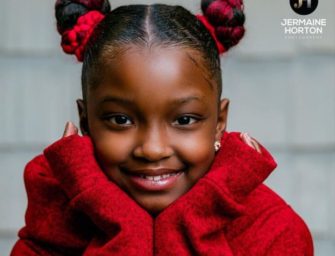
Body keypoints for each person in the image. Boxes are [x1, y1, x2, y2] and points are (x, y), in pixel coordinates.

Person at [11, 0, 314, 255]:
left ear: (220, 122)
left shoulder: (275, 234)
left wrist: (193, 221)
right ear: (85, 121)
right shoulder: (48, 231)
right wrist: (121, 223)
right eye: (121, 120)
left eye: (184, 120)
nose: (152, 149)